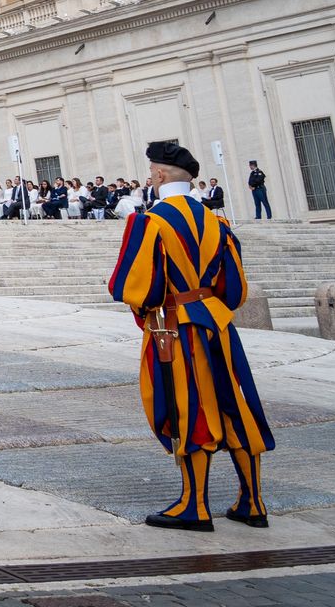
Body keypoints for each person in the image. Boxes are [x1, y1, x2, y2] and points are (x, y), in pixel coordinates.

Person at [109, 141, 273, 531]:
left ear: (160, 175)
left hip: (175, 327)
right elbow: (234, 291)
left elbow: (135, 288)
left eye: (152, 171)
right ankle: (252, 501)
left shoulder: (149, 221)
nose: (150, 176)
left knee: (191, 406)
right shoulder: (219, 223)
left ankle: (194, 504)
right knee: (235, 402)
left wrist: (142, 305)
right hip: (217, 325)